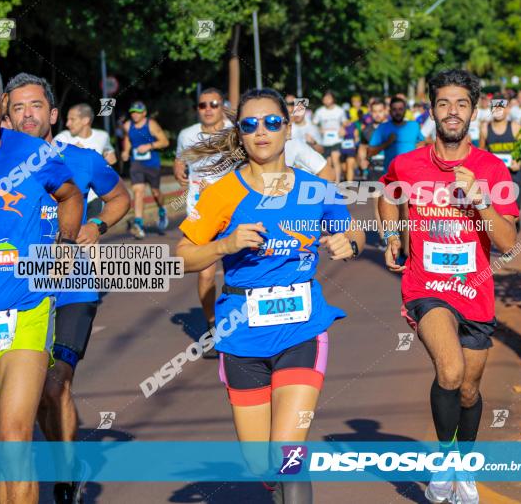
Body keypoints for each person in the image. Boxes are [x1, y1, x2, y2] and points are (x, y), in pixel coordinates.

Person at [176, 88, 365, 504]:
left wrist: (348, 243)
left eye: (272, 122)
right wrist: (224, 246)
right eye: (250, 124)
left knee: (288, 457)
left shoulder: (316, 189)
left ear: (288, 126)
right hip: (242, 334)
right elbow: (183, 256)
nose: (262, 131)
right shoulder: (222, 192)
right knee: (261, 464)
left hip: (302, 329)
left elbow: (353, 229)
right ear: (240, 133)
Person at [378, 69, 519, 504]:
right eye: (443, 104)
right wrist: (390, 236)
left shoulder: (492, 169)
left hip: (475, 289)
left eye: (461, 104)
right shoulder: (409, 164)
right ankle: (444, 462)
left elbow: (508, 242)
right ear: (432, 111)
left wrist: (479, 199)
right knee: (451, 371)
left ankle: (464, 468)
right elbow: (387, 195)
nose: (452, 112)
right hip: (426, 286)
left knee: (469, 389)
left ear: (473, 112)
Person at [0, 58, 83, 504]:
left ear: (2, 105)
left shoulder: (33, 153)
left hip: (25, 312)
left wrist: (65, 245)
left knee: (15, 439)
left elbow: (69, 194)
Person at [4, 73, 131, 504]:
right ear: (6, 113)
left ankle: (66, 471)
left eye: (35, 106)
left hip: (72, 287)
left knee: (55, 383)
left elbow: (121, 199)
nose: (27, 115)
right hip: (14, 291)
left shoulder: (81, 159)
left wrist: (96, 224)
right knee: (21, 390)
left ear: (53, 114)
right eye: (17, 107)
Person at [174, 88, 232, 348]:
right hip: (200, 213)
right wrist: (179, 171)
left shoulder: (236, 131)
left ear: (222, 107)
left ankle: (242, 321)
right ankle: (211, 324)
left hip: (235, 212)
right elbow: (179, 160)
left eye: (214, 104)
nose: (208, 109)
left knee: (239, 271)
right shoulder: (187, 134)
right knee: (206, 273)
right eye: (202, 105)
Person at [368, 97, 425, 252]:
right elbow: (370, 151)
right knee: (392, 212)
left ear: (405, 110)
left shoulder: (414, 126)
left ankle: (406, 251)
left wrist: (423, 145)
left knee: (407, 212)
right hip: (391, 177)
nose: (398, 112)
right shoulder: (383, 129)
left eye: (401, 109)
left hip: (412, 176)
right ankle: (392, 241)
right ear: (390, 111)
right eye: (395, 109)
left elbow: (424, 142)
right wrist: (388, 143)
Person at [121, 101, 169, 238]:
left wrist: (149, 146)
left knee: (155, 192)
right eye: (133, 112)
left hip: (152, 163)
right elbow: (128, 138)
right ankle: (138, 224)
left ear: (144, 113)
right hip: (136, 163)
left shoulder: (151, 124)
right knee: (138, 191)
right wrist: (125, 151)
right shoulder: (127, 125)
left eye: (138, 112)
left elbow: (165, 141)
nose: (135, 115)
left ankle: (162, 210)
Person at [481, 96, 521, 230]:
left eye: (501, 108)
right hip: (495, 175)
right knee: (497, 210)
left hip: (513, 174)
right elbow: (482, 153)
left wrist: (519, 162)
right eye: (496, 108)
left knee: (514, 212)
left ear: (507, 110)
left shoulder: (516, 127)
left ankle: (515, 225)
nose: (498, 111)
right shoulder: (485, 128)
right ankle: (504, 241)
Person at [312, 91, 346, 179]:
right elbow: (314, 124)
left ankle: (338, 183)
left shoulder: (340, 110)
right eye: (325, 98)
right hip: (325, 141)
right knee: (328, 162)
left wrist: (342, 128)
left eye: (329, 98)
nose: (327, 100)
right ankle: (331, 183)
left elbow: (345, 122)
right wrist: (319, 129)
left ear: (333, 99)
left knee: (335, 159)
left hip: (337, 139)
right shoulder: (319, 111)